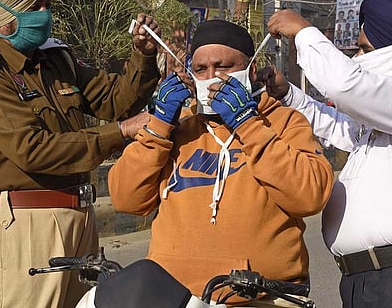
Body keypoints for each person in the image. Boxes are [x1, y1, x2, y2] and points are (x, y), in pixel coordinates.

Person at [0, 0, 160, 308]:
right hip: (22, 226)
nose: (45, 14)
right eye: (35, 6)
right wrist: (119, 132)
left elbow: (115, 101)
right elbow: (33, 149)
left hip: (79, 220)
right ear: (6, 18)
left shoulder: (56, 59)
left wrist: (142, 56)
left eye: (47, 3)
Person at [108, 19, 334, 306]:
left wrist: (248, 124)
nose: (212, 77)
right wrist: (157, 126)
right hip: (173, 298)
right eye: (201, 69)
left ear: (250, 70)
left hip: (260, 297)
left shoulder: (285, 121)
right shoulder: (177, 127)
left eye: (224, 67)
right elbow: (126, 199)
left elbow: (310, 196)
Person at [263, 0, 392, 308]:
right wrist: (288, 96)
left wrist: (305, 32)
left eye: (365, 49)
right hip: (371, 280)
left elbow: (346, 85)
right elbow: (341, 128)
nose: (358, 57)